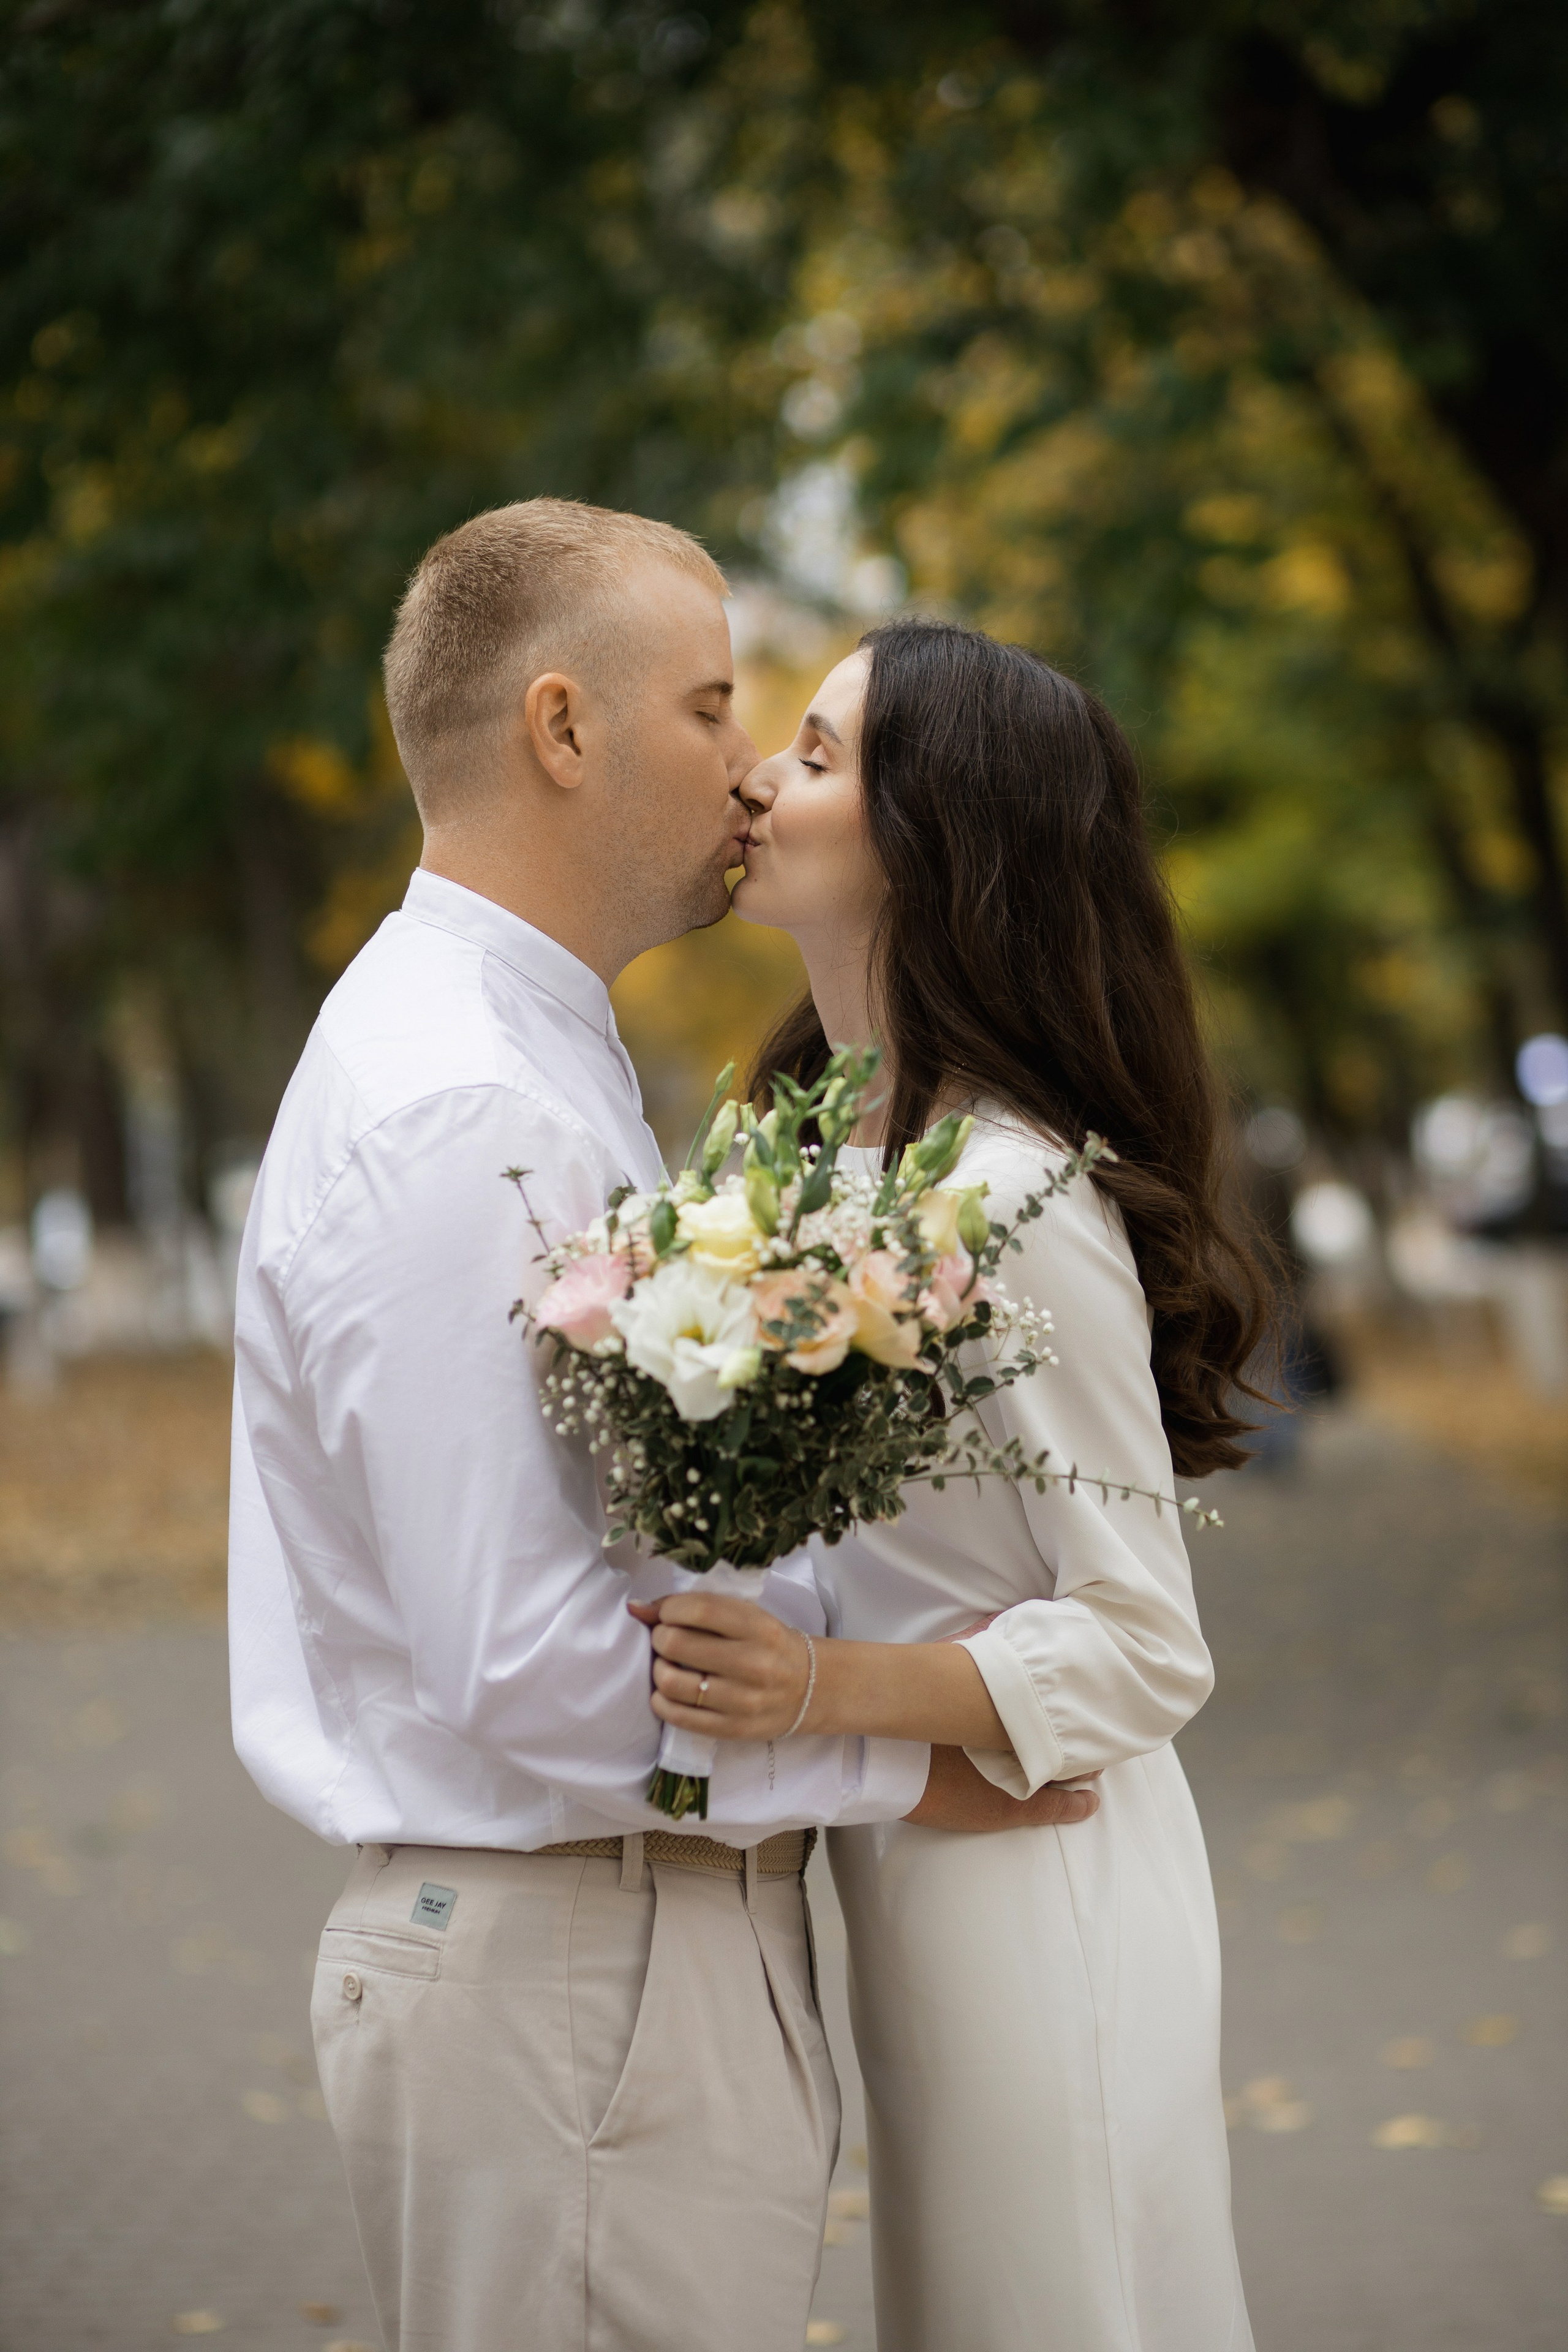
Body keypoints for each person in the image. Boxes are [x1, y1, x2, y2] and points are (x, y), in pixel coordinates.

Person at [227, 504, 1097, 2352]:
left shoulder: (521, 1051)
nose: (749, 764)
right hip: (578, 1957)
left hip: (605, 1955)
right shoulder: (460, 1100)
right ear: (563, 727)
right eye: (712, 707)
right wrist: (903, 1758)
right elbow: (518, 1656)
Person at [638, 619, 1269, 2352]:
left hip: (1043, 1887)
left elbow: (1146, 1643)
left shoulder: (1007, 1198)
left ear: (934, 840)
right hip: (907, 1871)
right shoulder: (824, 1163)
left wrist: (820, 1691)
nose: (757, 779)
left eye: (818, 755)